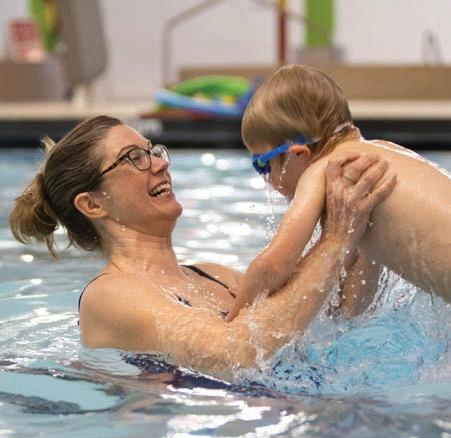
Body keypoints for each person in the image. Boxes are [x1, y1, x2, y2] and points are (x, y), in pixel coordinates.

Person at [8, 116, 393, 379]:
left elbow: (337, 317)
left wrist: (361, 226)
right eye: (134, 158)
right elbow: (238, 356)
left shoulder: (213, 275)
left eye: (152, 151)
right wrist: (335, 240)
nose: (159, 164)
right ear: (93, 204)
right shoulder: (108, 296)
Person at [226, 64, 451, 321]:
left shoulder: (325, 168)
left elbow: (273, 265)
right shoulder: (381, 153)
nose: (266, 179)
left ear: (298, 154)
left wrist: (235, 316)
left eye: (262, 165)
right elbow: (350, 310)